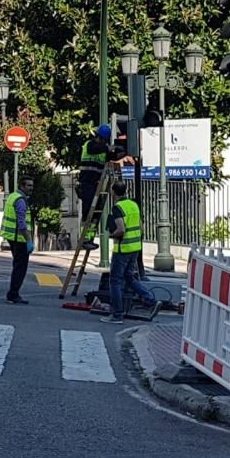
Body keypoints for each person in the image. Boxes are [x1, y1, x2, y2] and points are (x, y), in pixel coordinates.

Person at [101, 182, 163, 324]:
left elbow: (121, 229)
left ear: (113, 192)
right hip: (134, 248)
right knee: (129, 277)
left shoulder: (117, 208)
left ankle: (117, 314)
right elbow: (141, 225)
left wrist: (112, 235)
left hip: (122, 249)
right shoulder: (133, 205)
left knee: (115, 281)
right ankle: (150, 300)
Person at [77, 124, 113, 250]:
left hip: (95, 184)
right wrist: (109, 148)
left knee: (96, 214)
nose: (104, 142)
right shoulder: (89, 145)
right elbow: (96, 149)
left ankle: (90, 238)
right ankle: (83, 239)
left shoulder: (103, 150)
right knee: (87, 212)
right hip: (86, 183)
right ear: (99, 137)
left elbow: (111, 155)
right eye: (103, 140)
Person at [2, 177, 34, 304]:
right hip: (19, 238)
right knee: (20, 268)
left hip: (12, 236)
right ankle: (13, 294)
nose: (31, 188)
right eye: (28, 185)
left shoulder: (12, 196)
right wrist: (29, 240)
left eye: (32, 185)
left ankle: (13, 293)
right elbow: (22, 223)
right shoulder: (21, 201)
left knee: (17, 266)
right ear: (22, 186)